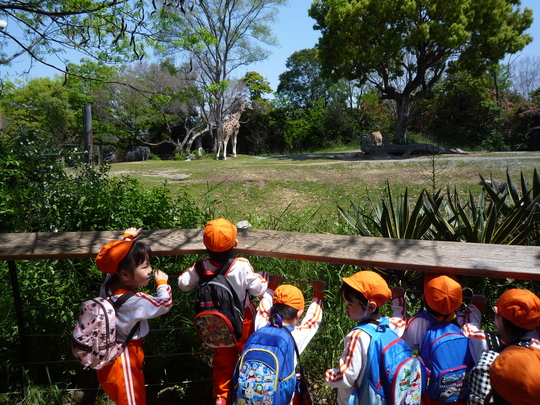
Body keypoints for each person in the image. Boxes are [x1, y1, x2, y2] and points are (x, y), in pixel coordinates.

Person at [177, 218, 268, 405]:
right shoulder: (241, 265)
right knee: (248, 357)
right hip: (244, 320)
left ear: (205, 245)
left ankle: (221, 397)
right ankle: (248, 394)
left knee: (223, 362)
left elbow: (183, 284)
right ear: (234, 244)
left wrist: (191, 270)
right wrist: (264, 278)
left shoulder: (201, 266)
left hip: (217, 323)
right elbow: (259, 289)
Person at [95, 227, 173, 405]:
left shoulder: (107, 286)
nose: (149, 270)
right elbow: (164, 304)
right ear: (124, 275)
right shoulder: (135, 300)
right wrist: (162, 283)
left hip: (109, 354)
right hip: (125, 359)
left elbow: (112, 262)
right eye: (145, 266)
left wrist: (127, 238)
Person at [325, 270, 405, 405]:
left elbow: (347, 376)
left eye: (350, 304)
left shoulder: (356, 336)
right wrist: (399, 300)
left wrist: (328, 375)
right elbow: (401, 320)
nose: (346, 308)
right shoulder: (389, 325)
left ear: (371, 307)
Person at [464, 288, 540, 405]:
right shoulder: (536, 345)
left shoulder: (484, 341)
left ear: (498, 317)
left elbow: (468, 329)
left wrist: (476, 306)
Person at [392, 273, 485, 353]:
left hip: (431, 372)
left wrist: (398, 300)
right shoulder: (462, 320)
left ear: (423, 298)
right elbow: (473, 326)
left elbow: (403, 346)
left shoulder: (418, 322)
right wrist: (476, 306)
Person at [254, 275, 326, 363]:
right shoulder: (296, 335)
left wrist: (272, 284)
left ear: (272, 309)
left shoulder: (262, 325)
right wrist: (319, 292)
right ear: (299, 313)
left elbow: (264, 306)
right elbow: (313, 319)